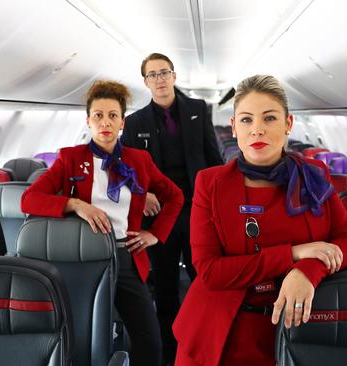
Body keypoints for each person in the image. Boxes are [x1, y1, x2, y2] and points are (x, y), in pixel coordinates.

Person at [172, 75, 347, 366]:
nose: (257, 129)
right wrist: (293, 254)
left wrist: (308, 270)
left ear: (288, 124)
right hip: (224, 332)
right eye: (246, 120)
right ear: (234, 127)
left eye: (269, 118)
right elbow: (210, 271)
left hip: (299, 327)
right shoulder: (211, 183)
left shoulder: (313, 175)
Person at [21, 80, 184, 366]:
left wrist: (155, 234)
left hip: (126, 257)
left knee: (149, 340)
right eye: (98, 115)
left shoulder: (139, 160)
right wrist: (75, 204)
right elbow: (29, 200)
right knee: (78, 337)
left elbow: (175, 196)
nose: (105, 122)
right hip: (81, 258)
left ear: (122, 122)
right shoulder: (70, 159)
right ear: (88, 120)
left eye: (112, 115)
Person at [121, 52, 224, 364]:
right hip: (160, 217)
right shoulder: (135, 122)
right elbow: (126, 168)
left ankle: (205, 344)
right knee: (165, 287)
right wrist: (143, 192)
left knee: (204, 282)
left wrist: (221, 204)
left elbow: (213, 157)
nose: (159, 79)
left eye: (164, 73)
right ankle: (169, 353)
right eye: (152, 75)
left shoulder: (197, 109)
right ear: (145, 82)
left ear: (174, 76)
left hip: (197, 211)